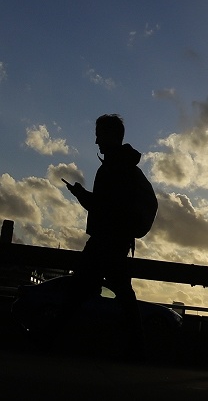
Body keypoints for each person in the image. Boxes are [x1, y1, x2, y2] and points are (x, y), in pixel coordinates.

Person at [62, 114, 146, 358]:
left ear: (111, 136)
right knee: (120, 293)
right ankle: (137, 347)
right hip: (116, 240)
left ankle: (52, 336)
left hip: (106, 240)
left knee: (79, 290)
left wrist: (81, 195)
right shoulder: (123, 166)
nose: (96, 141)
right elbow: (108, 205)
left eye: (99, 135)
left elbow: (103, 207)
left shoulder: (112, 168)